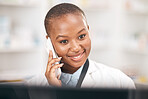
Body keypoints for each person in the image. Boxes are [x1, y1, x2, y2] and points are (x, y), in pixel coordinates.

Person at [27, 3, 135, 89]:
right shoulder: (33, 86)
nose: (76, 48)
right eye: (64, 41)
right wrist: (55, 91)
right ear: (49, 42)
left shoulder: (119, 81)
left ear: (88, 30)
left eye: (81, 36)